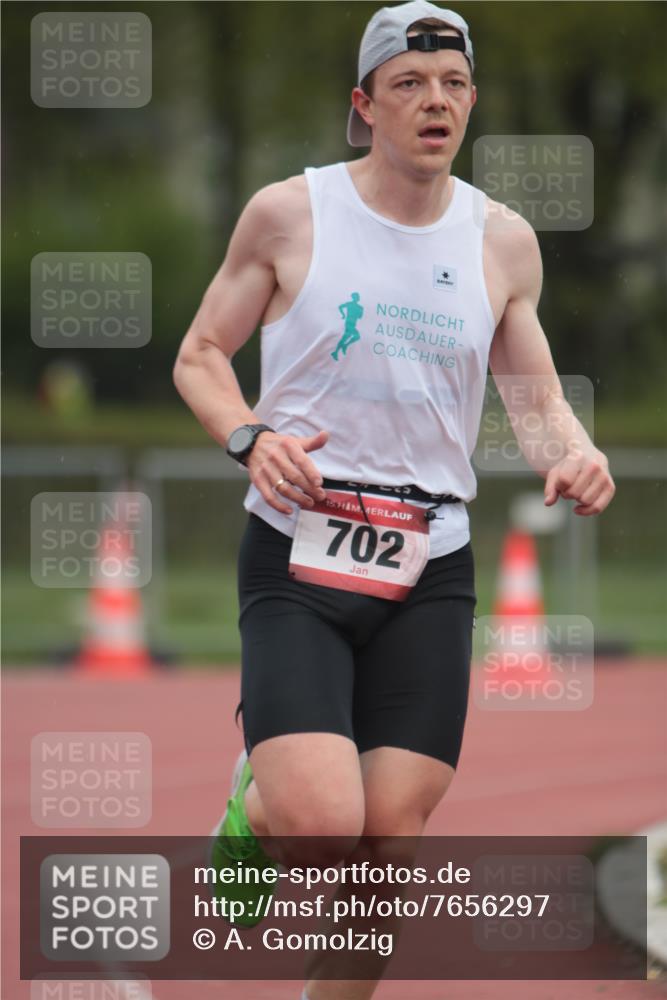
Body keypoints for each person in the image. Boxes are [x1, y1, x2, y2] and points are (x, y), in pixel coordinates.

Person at [173, 3, 615, 997]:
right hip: (298, 551)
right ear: (363, 104)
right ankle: (256, 803)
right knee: (326, 827)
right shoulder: (291, 213)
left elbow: (534, 397)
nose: (436, 103)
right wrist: (250, 436)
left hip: (430, 564)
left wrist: (575, 453)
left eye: (455, 85)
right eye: (411, 84)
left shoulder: (500, 241)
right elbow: (201, 353)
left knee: (390, 841)